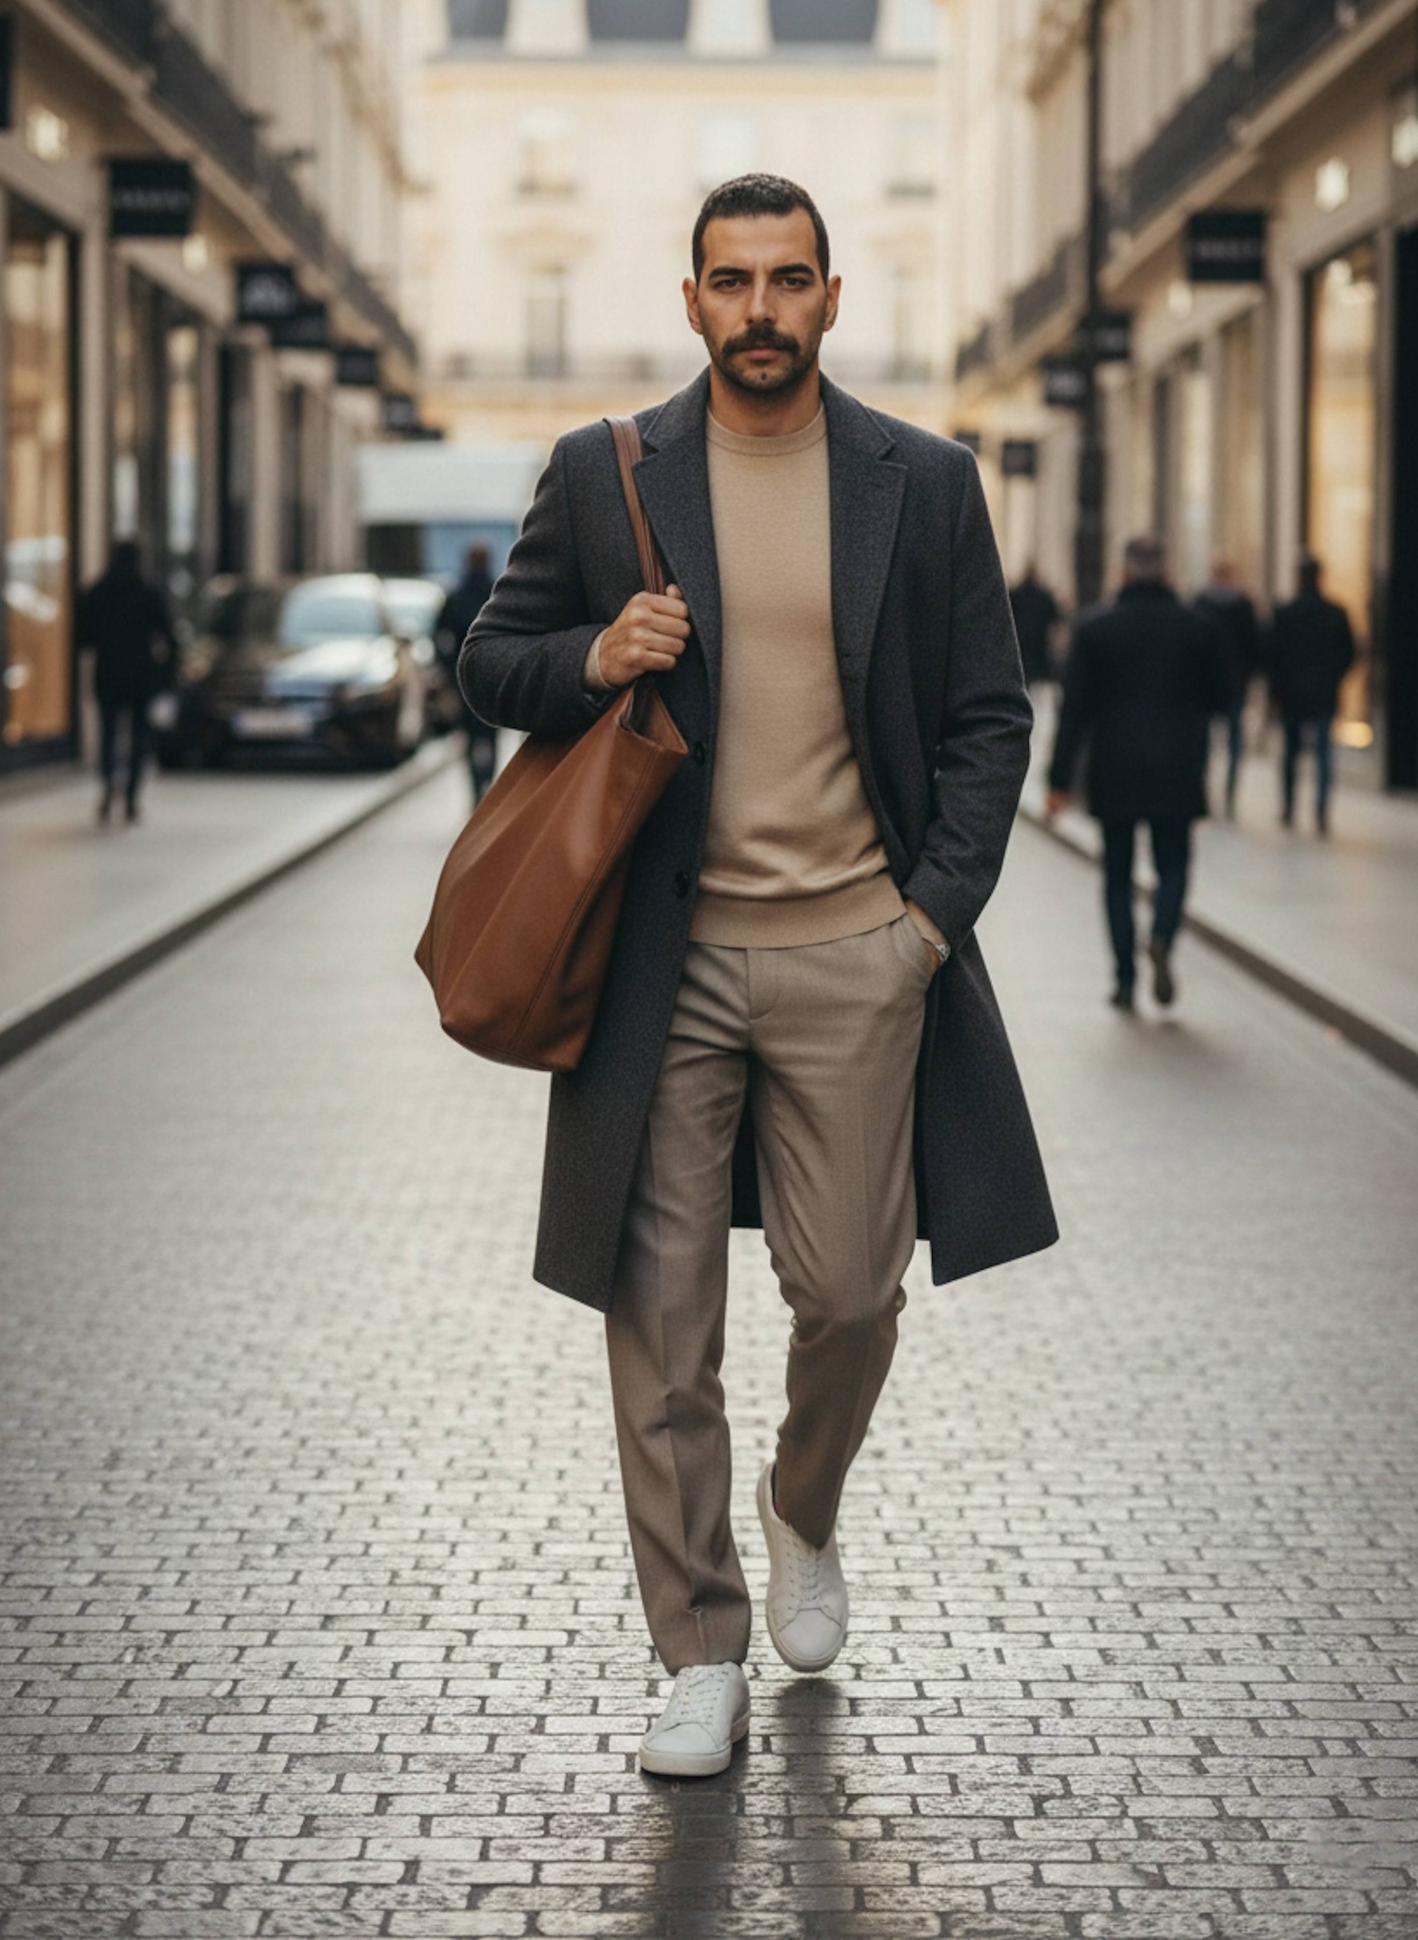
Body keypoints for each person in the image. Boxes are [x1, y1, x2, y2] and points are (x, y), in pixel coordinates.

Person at [460, 174, 1056, 1779]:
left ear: (832, 298)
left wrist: (923, 922)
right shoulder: (609, 474)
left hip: (858, 955)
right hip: (660, 966)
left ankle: (802, 1507)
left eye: (787, 281)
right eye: (730, 282)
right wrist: (594, 655)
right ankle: (696, 1647)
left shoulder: (918, 483)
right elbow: (485, 659)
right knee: (658, 1315)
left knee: (852, 1291)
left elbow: (988, 716)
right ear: (690, 299)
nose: (759, 311)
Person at [1046, 535, 1229, 1011]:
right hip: (1177, 765)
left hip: (1115, 767)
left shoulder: (1095, 629)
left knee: (1117, 877)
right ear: (1167, 573)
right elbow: (1220, 698)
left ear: (1122, 574)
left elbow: (1074, 711)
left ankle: (1125, 979)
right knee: (1173, 866)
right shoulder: (1197, 628)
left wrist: (1058, 781)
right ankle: (1163, 934)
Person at [75, 540, 173, 824]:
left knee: (108, 734)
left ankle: (107, 783)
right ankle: (130, 797)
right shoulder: (148, 591)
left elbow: (83, 639)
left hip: (107, 673)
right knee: (138, 736)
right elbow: (167, 636)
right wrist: (165, 675)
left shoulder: (98, 591)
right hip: (141, 675)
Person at [1267, 551, 1356, 838]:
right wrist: (1333, 678)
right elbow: (1349, 653)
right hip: (1322, 693)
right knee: (1322, 755)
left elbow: (1273, 657)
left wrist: (1276, 691)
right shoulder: (1334, 612)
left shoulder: (1286, 612)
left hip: (1293, 694)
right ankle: (1319, 810)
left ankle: (1290, 806)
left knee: (1292, 754)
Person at [1193, 558, 1262, 819]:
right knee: (1234, 743)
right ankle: (1229, 793)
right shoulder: (1243, 605)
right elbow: (1255, 646)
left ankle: (1207, 791)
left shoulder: (1201, 603)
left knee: (1205, 743)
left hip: (1206, 686)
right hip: (1234, 684)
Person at [433, 544, 498, 805]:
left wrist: (448, 665)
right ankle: (486, 784)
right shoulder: (497, 592)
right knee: (489, 736)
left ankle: (476, 789)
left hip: (463, 678)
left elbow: (439, 634)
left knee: (471, 739)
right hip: (493, 678)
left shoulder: (457, 595)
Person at [1008, 564, 1062, 688]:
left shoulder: (1016, 594)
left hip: (1022, 642)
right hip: (1038, 643)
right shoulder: (1043, 596)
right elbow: (1055, 619)